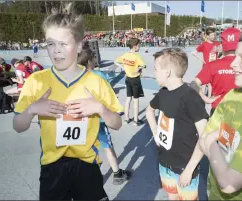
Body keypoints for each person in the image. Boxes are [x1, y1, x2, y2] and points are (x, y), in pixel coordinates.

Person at [13, 3, 123, 200]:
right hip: (51, 168)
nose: (56, 51)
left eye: (64, 44)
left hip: (87, 165)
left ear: (80, 45)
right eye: (50, 43)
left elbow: (117, 123)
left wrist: (101, 109)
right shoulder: (36, 81)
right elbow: (18, 126)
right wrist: (31, 110)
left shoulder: (95, 82)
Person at [179, 24, 242, 200]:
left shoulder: (214, 67)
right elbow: (204, 139)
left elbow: (229, 184)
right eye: (236, 56)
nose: (234, 64)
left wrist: (213, 139)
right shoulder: (232, 96)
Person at [146, 48, 209, 200]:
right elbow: (149, 111)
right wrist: (155, 134)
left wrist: (189, 170)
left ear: (167, 72)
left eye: (156, 69)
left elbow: (204, 136)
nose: (154, 72)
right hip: (164, 163)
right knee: (172, 196)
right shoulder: (163, 93)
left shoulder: (190, 98)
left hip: (185, 166)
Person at [193, 27, 241, 200]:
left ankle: (217, 184)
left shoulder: (213, 65)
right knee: (239, 151)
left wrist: (205, 98)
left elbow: (194, 84)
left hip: (218, 112)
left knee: (218, 150)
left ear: (222, 44)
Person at [77, 44, 131, 185]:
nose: (95, 58)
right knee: (108, 147)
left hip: (82, 121)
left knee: (87, 149)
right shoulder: (99, 75)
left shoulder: (74, 77)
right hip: (100, 120)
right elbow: (108, 93)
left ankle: (92, 177)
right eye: (93, 57)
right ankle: (117, 173)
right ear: (89, 61)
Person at [115, 38, 146, 126]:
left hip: (128, 78)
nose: (139, 47)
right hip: (135, 80)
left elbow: (116, 61)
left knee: (128, 98)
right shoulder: (137, 56)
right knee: (136, 100)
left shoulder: (125, 55)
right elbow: (143, 65)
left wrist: (123, 67)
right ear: (135, 46)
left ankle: (126, 118)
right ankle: (136, 120)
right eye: (139, 45)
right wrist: (139, 68)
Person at [192, 27, 221, 97]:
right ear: (207, 36)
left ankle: (209, 96)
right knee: (204, 82)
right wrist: (202, 60)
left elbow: (221, 51)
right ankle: (202, 96)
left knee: (211, 82)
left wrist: (219, 58)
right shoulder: (204, 44)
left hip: (214, 66)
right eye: (212, 35)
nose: (213, 36)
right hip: (206, 66)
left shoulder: (217, 43)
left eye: (214, 35)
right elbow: (194, 52)